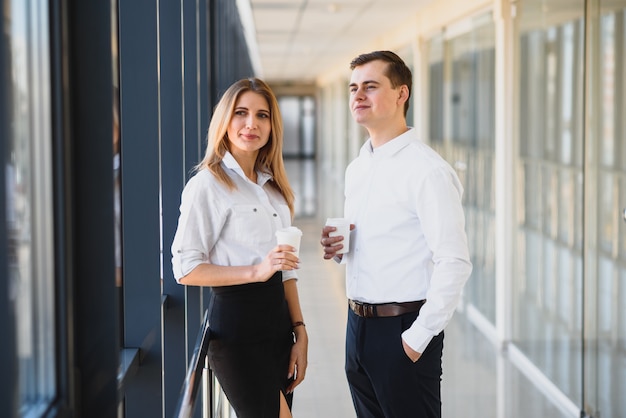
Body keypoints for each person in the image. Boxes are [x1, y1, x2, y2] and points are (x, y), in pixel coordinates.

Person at [320, 50, 472, 418]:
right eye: (354, 87)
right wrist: (342, 247)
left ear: (402, 94)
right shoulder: (358, 168)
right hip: (357, 327)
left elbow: (454, 262)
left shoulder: (427, 171)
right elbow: (381, 240)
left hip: (403, 329)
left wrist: (417, 339)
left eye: (370, 87)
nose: (358, 96)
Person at [171, 77, 308, 418]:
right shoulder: (207, 185)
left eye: (262, 115)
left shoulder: (275, 190)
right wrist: (256, 270)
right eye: (241, 113)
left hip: (278, 326)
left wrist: (300, 332)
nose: (251, 124)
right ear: (225, 121)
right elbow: (185, 268)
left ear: (272, 126)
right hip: (237, 330)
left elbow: (287, 270)